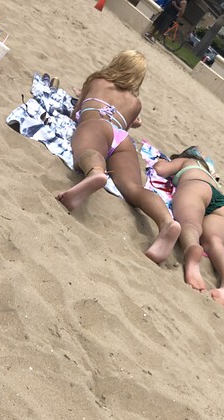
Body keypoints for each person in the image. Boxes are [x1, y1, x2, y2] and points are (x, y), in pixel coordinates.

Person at [56, 50, 181, 264]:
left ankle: (96, 173)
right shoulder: (135, 103)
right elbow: (125, 126)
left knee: (89, 152)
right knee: (134, 189)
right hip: (122, 139)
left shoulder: (97, 80)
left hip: (97, 124)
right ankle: (166, 222)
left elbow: (76, 112)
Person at [153, 147, 224, 307]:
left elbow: (160, 170)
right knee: (215, 242)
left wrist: (162, 162)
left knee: (190, 224)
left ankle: (191, 251)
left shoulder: (187, 161)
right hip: (222, 202)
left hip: (196, 186)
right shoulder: (212, 179)